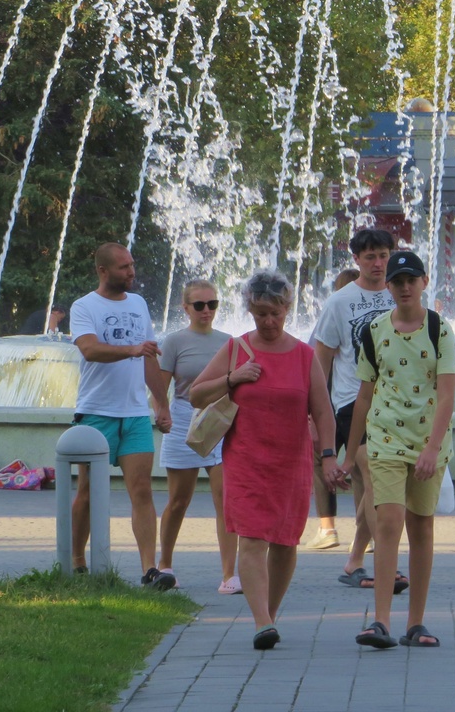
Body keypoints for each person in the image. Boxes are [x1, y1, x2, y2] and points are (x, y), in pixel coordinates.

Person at [190, 269, 341, 650]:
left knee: (286, 541)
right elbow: (195, 395)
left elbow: (323, 413)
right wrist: (233, 378)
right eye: (260, 314)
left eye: (275, 313)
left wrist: (327, 457)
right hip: (245, 460)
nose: (269, 321)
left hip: (292, 462)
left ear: (288, 308)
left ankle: (269, 616)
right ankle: (261, 622)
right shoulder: (238, 349)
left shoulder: (305, 356)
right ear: (250, 310)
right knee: (253, 539)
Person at [342, 250, 455, 650]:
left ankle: (416, 623)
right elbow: (363, 395)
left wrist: (430, 449)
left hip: (429, 444)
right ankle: (379, 622)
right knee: (388, 521)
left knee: (422, 527)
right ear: (388, 287)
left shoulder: (439, 329)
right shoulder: (374, 331)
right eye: (397, 281)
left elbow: (446, 397)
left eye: (412, 279)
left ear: (424, 282)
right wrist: (347, 453)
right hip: (385, 439)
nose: (405, 286)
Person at [69, 243, 173, 588]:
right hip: (96, 413)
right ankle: (75, 561)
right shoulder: (84, 306)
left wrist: (162, 403)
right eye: (124, 268)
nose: (131, 272)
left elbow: (149, 358)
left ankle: (149, 570)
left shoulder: (138, 304)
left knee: (142, 490)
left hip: (135, 414)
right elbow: (89, 349)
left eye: (132, 265)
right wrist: (131, 349)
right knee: (88, 491)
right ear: (103, 271)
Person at [309, 228, 407, 592]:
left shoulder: (401, 291)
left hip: (397, 402)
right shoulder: (340, 302)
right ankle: (386, 561)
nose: (379, 263)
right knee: (372, 470)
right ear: (356, 261)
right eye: (370, 257)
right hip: (353, 401)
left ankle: (354, 560)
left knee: (373, 486)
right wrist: (315, 411)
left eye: (383, 255)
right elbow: (322, 357)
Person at [150, 280, 240, 594]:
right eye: (199, 305)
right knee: (178, 500)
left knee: (226, 500)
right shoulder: (174, 342)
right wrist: (162, 411)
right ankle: (165, 565)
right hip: (184, 419)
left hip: (219, 420)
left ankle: (229, 575)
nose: (206, 311)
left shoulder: (229, 342)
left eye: (212, 304)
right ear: (185, 308)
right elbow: (159, 387)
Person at [304, 267, 360, 551]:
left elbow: (315, 362)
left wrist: (313, 412)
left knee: (321, 461)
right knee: (364, 468)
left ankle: (328, 528)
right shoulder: (361, 313)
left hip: (333, 403)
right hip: (355, 403)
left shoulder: (332, 312)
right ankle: (368, 533)